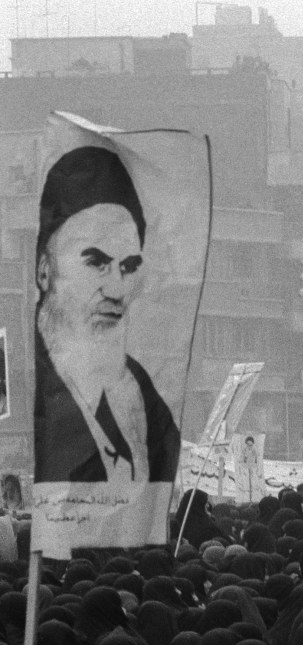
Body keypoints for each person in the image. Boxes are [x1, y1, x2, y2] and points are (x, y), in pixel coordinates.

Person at [34, 145, 179, 483]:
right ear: (45, 270)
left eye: (128, 267)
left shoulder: (149, 405)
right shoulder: (33, 385)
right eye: (96, 262)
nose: (116, 290)